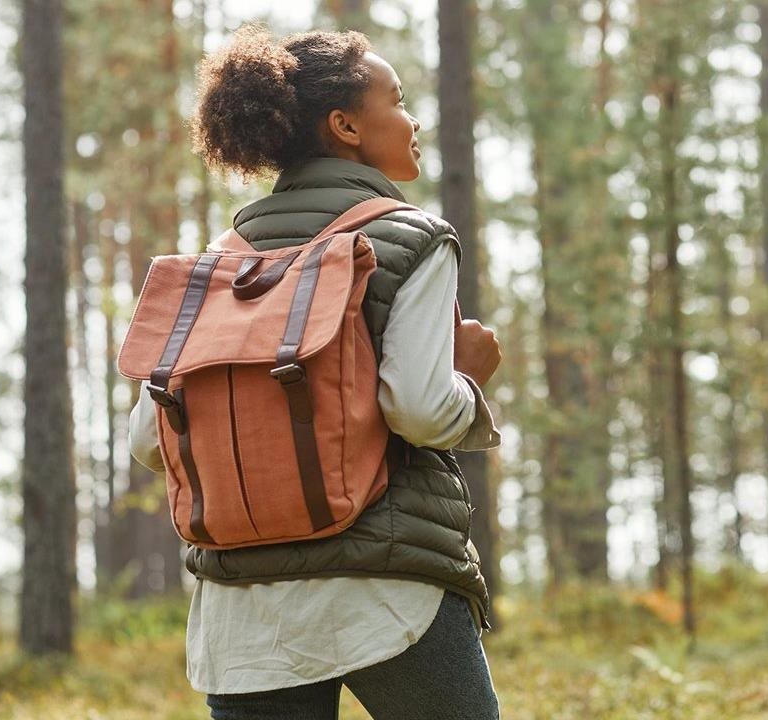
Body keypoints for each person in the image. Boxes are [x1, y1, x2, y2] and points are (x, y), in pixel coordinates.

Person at [128, 25, 503, 720]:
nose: (413, 118)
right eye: (397, 99)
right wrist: (469, 380)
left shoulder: (220, 263)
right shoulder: (408, 237)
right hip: (387, 593)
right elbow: (419, 410)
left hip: (245, 618)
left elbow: (149, 441)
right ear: (347, 125)